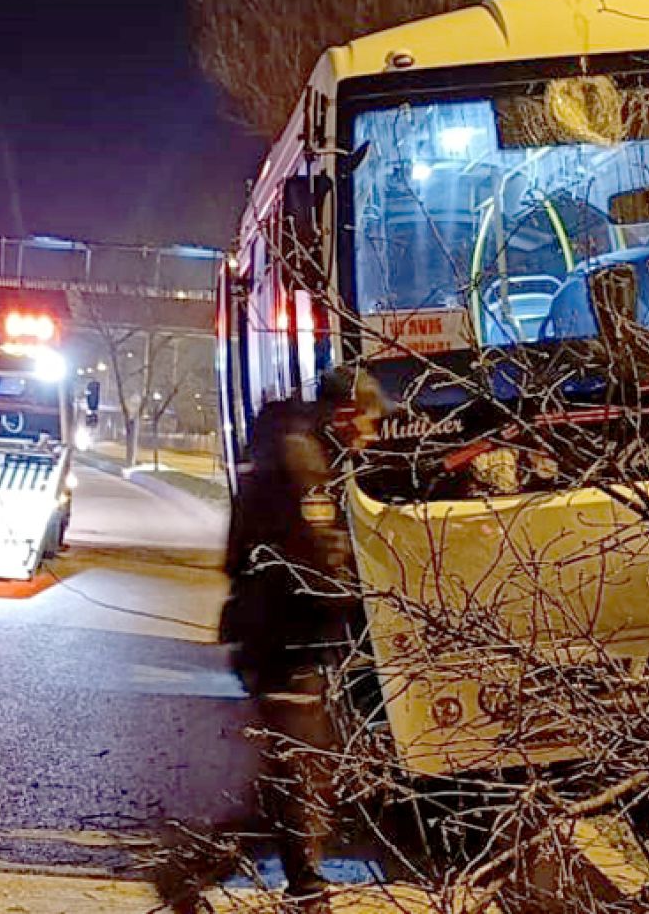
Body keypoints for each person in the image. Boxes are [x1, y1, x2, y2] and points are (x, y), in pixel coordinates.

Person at [221, 367, 386, 904]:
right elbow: (317, 564)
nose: (375, 435)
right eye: (370, 421)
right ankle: (303, 883)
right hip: (286, 637)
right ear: (345, 415)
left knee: (300, 756)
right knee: (302, 760)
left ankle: (282, 860)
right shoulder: (304, 464)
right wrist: (364, 603)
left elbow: (240, 551)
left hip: (274, 632)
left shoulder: (298, 450)